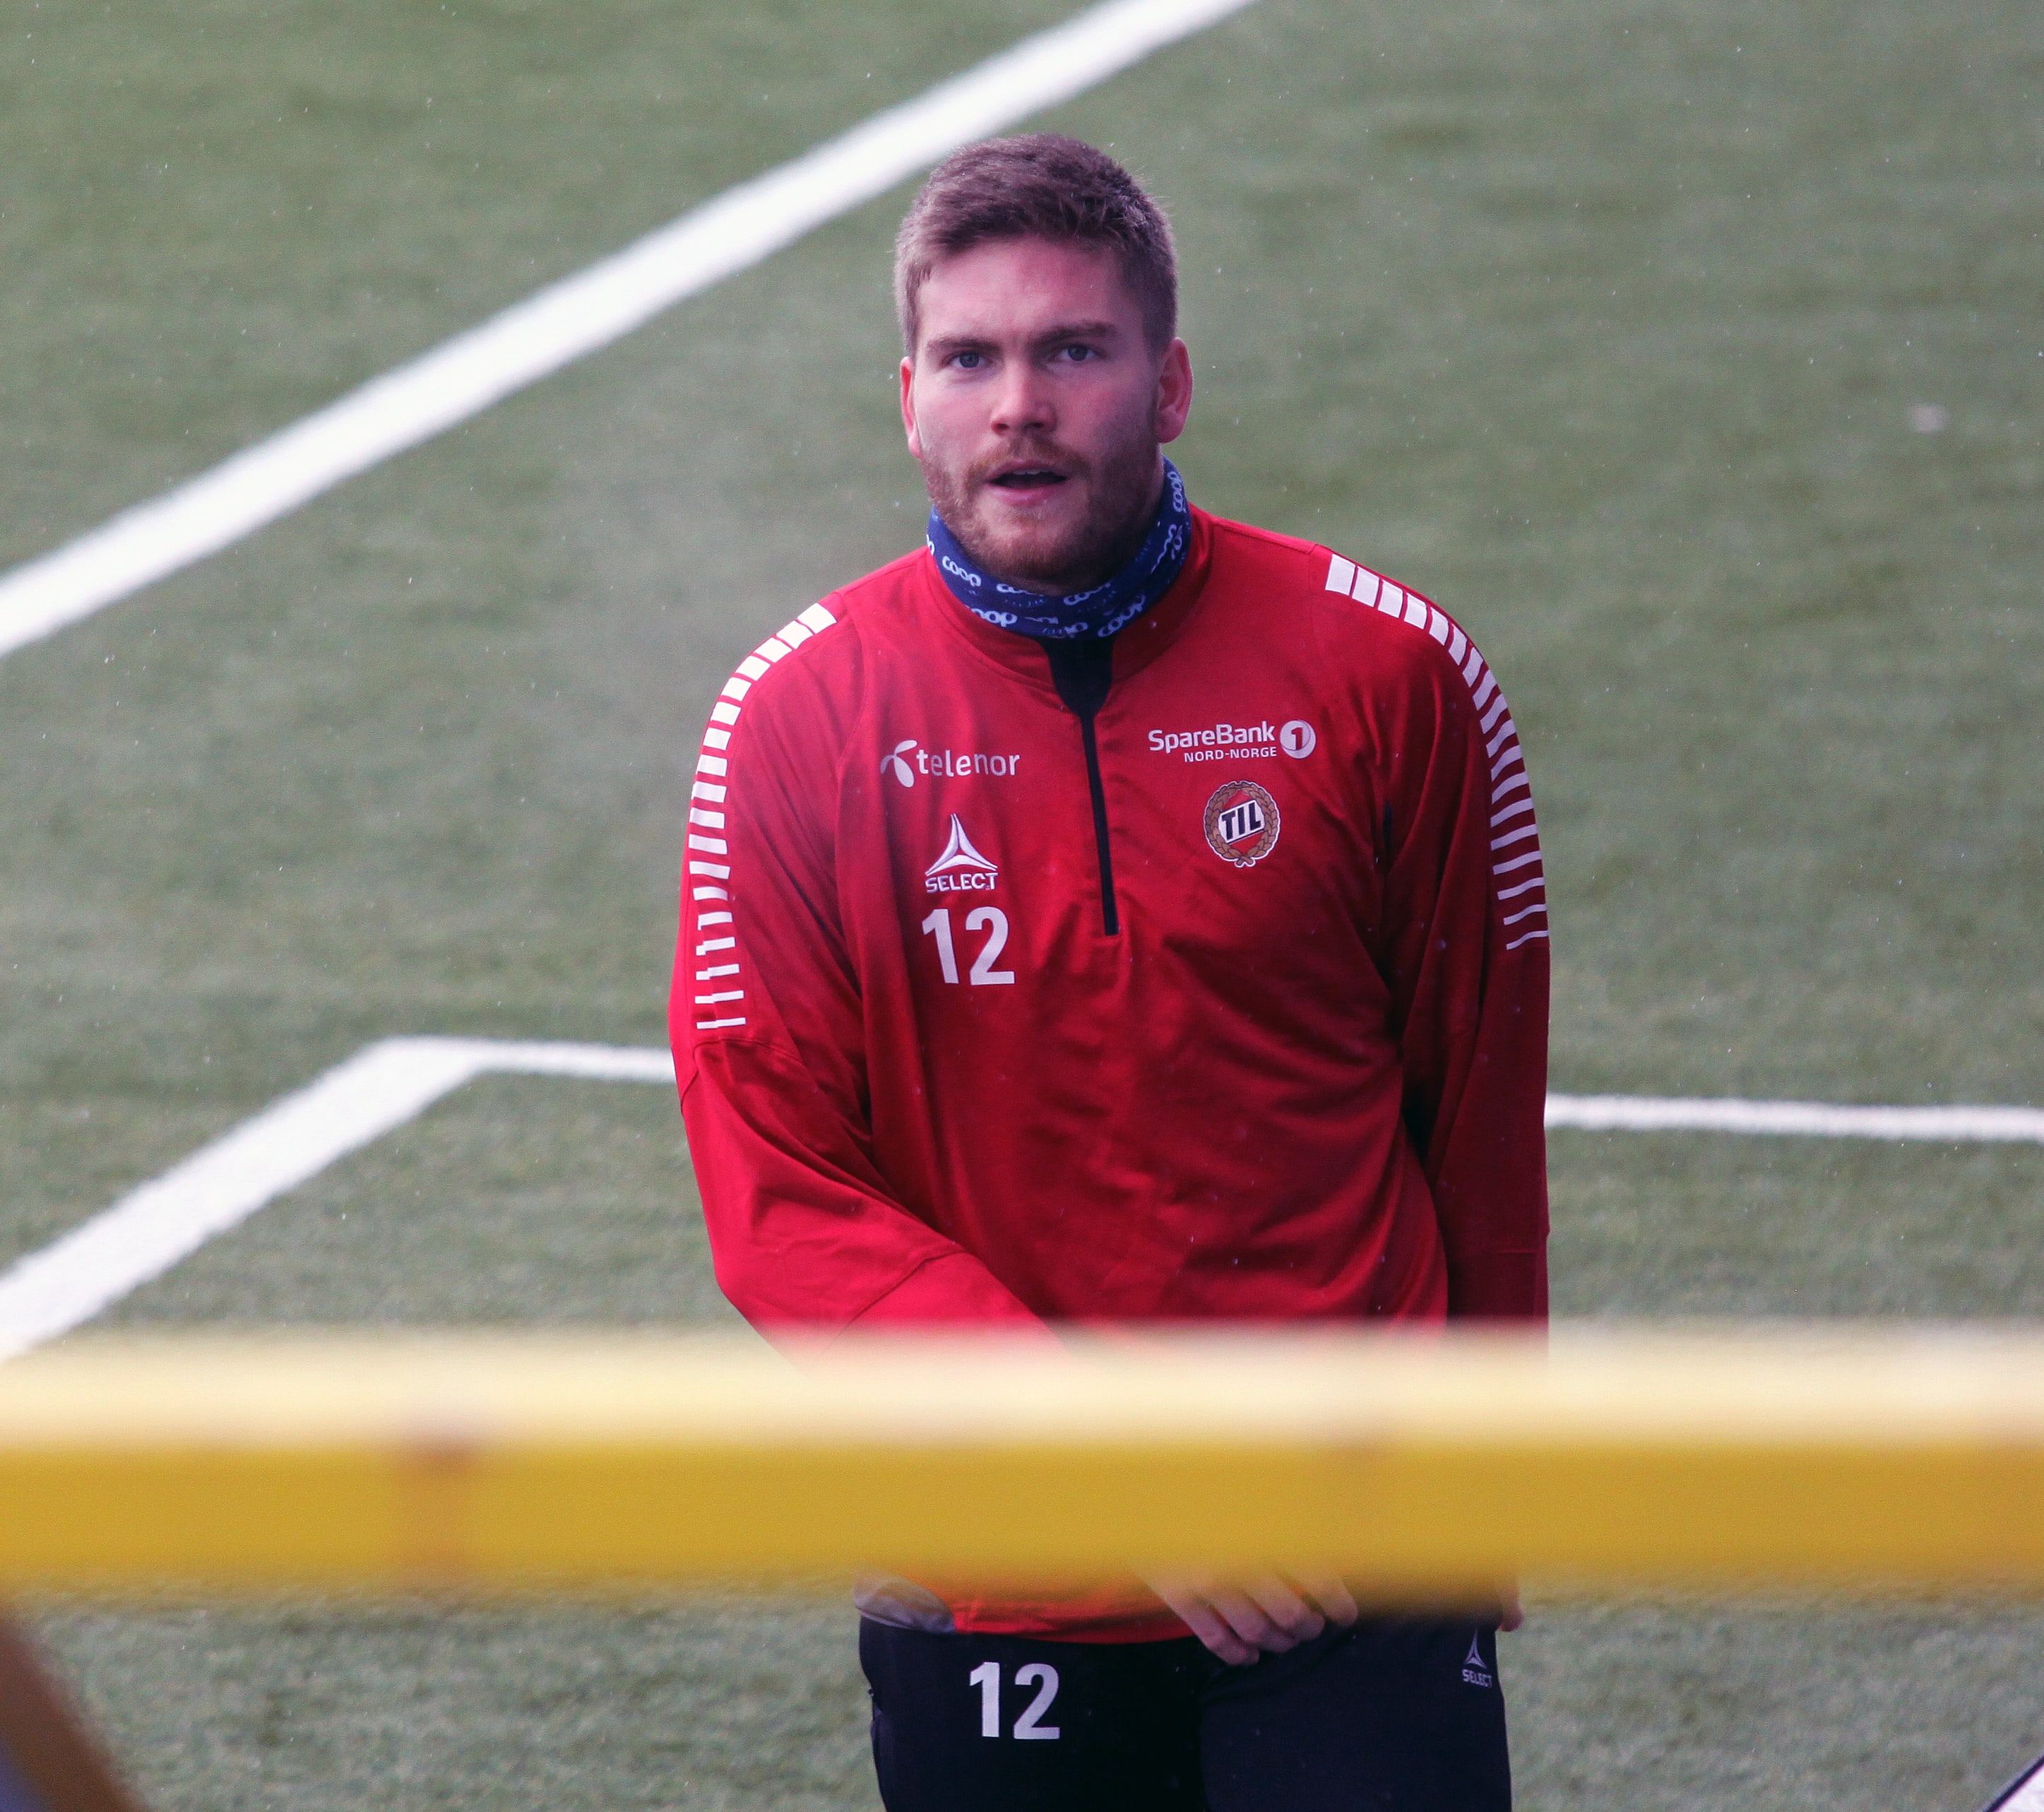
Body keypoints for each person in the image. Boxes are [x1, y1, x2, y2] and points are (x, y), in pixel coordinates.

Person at [670, 134, 1548, 1812]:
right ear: (908, 401)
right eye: (969, 359)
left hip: (1349, 1550)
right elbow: (779, 1188)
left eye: (1072, 350)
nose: (1020, 405)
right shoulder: (794, 722)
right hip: (1002, 1568)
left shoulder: (1391, 674)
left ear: (1171, 383)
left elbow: (1480, 1114)